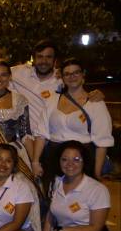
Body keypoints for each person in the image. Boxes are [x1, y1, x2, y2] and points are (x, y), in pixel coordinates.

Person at [41, 58, 114, 193]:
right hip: (55, 160)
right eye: (67, 74)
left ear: (83, 74)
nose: (72, 77)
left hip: (83, 161)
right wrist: (35, 161)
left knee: (82, 203)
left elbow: (102, 142)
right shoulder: (52, 100)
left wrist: (96, 174)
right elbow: (41, 134)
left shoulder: (95, 103)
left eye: (76, 72)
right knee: (54, 199)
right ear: (62, 77)